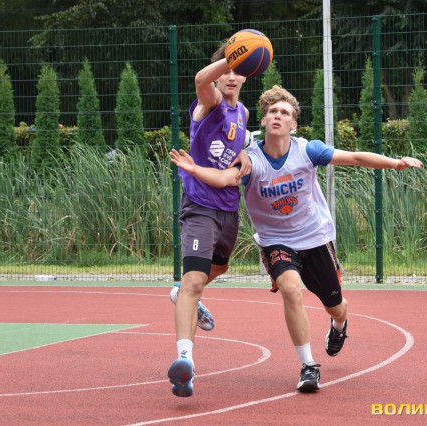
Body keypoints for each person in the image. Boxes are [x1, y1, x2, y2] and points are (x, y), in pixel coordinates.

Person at [169, 85, 423, 393]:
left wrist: (394, 163)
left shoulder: (308, 151)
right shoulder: (251, 160)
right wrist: (195, 169)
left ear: (294, 124)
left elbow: (355, 157)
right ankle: (308, 366)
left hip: (315, 238)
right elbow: (224, 178)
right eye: (272, 112)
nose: (278, 116)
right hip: (276, 241)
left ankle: (339, 326)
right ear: (264, 121)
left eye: (284, 112)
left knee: (336, 307)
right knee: (291, 289)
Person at [167, 39, 253, 397]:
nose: (231, 77)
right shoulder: (211, 101)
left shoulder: (243, 112)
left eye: (237, 71)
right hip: (200, 205)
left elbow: (237, 144)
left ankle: (182, 294)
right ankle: (185, 362)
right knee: (194, 280)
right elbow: (201, 80)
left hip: (228, 207)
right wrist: (233, 56)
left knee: (219, 268)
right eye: (226, 70)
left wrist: (245, 153)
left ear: (246, 77)